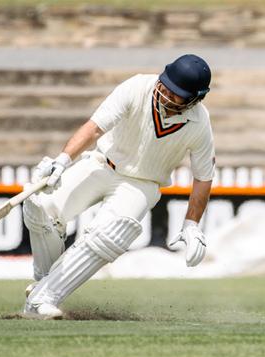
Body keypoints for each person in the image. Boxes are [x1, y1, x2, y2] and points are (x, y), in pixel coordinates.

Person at [22, 54, 214, 319]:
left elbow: (203, 176)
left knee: (110, 234)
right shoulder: (137, 87)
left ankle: (42, 299)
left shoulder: (200, 124)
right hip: (102, 163)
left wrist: (192, 224)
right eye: (166, 85)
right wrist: (62, 160)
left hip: (142, 183)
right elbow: (95, 128)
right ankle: (44, 284)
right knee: (41, 206)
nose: (166, 94)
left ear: (194, 99)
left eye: (176, 93)